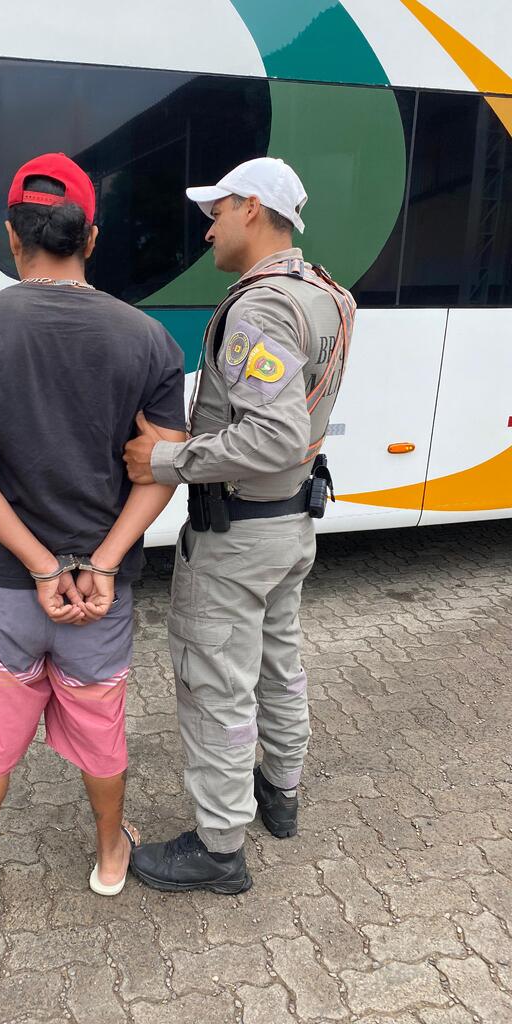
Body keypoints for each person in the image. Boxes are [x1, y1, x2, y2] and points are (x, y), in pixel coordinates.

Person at [0, 153, 186, 929]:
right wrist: (101, 561)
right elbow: (161, 468)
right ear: (91, 238)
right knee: (102, 727)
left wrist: (40, 566)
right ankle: (110, 858)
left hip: (5, 584)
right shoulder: (150, 340)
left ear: (13, 237)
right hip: (102, 591)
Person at [124, 157, 356, 893]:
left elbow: (274, 435)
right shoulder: (327, 294)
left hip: (238, 535)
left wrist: (166, 461)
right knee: (278, 664)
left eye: (217, 211)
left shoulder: (258, 308)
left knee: (215, 684)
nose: (209, 228)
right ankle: (279, 794)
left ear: (252, 208)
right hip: (290, 526)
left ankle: (219, 847)